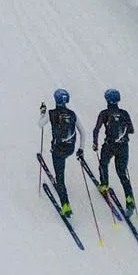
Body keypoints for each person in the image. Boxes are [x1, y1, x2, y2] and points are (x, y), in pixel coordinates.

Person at [39, 88, 85, 217]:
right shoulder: (72, 114)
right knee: (62, 166)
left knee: (60, 177)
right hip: (70, 149)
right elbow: (83, 133)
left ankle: (66, 205)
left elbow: (40, 124)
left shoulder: (51, 113)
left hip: (57, 150)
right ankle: (62, 193)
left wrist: (43, 112)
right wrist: (81, 149)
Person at [93, 88, 135, 215]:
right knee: (122, 173)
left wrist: (95, 143)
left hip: (110, 145)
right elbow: (131, 130)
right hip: (123, 146)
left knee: (103, 164)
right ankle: (129, 200)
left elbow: (96, 129)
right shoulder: (125, 113)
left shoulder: (104, 113)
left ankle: (104, 185)